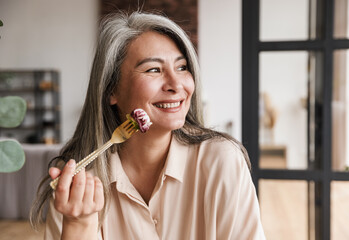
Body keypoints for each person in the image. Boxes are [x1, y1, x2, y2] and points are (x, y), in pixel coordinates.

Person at [30, 11, 266, 240]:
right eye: (153, 70)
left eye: (182, 67)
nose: (176, 84)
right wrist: (78, 224)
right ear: (112, 89)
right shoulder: (78, 181)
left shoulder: (221, 160)